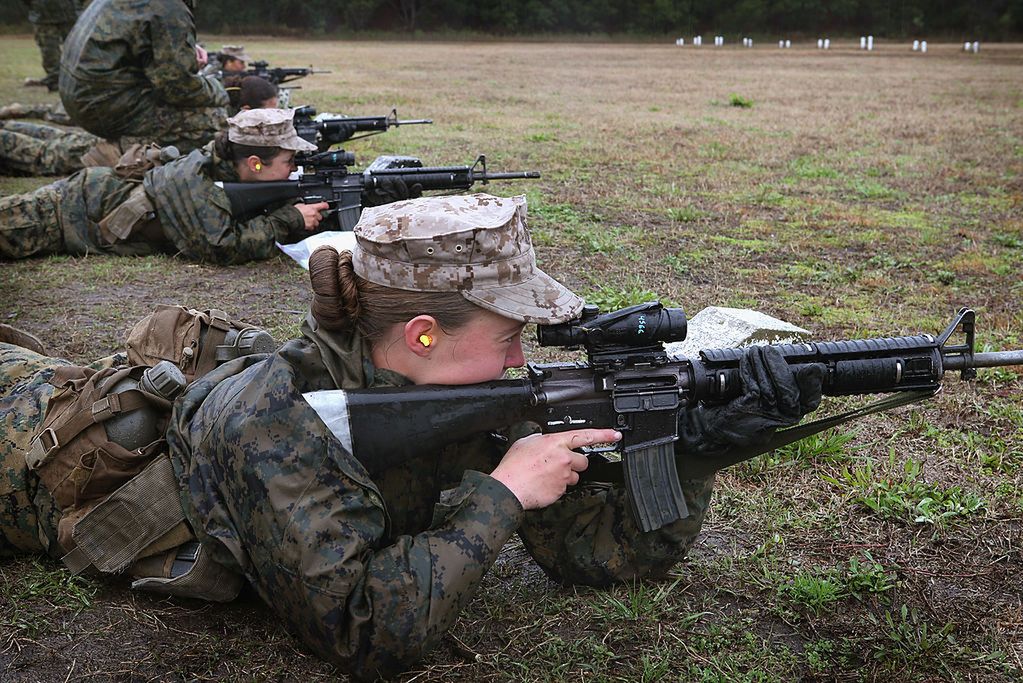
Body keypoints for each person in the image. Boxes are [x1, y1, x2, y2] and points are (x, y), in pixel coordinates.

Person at [0, 193, 825, 680]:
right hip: (32, 445)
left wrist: (694, 451)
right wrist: (501, 494)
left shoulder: (463, 393)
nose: (521, 357)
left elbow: (595, 555)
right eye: (508, 335)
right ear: (423, 334)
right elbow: (358, 630)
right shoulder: (274, 420)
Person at [0, 108, 328, 263]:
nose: (293, 170)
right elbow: (223, 247)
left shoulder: (219, 168)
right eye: (289, 162)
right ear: (255, 163)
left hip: (82, 200)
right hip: (57, 215)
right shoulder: (197, 183)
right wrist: (290, 218)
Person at [0, 78, 280, 177]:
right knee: (41, 155)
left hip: (119, 144)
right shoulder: (222, 126)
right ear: (246, 110)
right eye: (270, 110)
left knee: (55, 140)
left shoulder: (214, 107)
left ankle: (9, 123)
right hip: (116, 154)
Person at [59, 0, 229, 153]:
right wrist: (219, 90)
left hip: (80, 97)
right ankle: (122, 152)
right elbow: (178, 89)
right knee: (215, 123)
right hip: (104, 106)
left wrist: (184, 50)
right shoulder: (169, 7)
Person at [20, 0, 81, 91]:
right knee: (72, 47)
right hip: (62, 11)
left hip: (48, 12)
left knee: (52, 48)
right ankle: (73, 78)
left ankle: (58, 79)